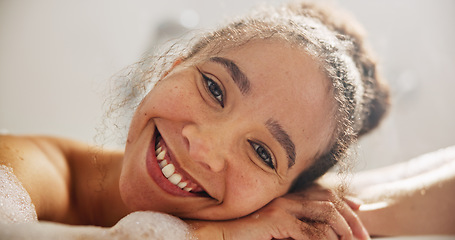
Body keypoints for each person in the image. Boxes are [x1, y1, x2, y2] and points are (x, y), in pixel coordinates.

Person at [2, 0, 448, 239]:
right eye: (214, 89)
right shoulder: (27, 168)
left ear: (283, 198)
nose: (204, 147)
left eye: (261, 153)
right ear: (170, 66)